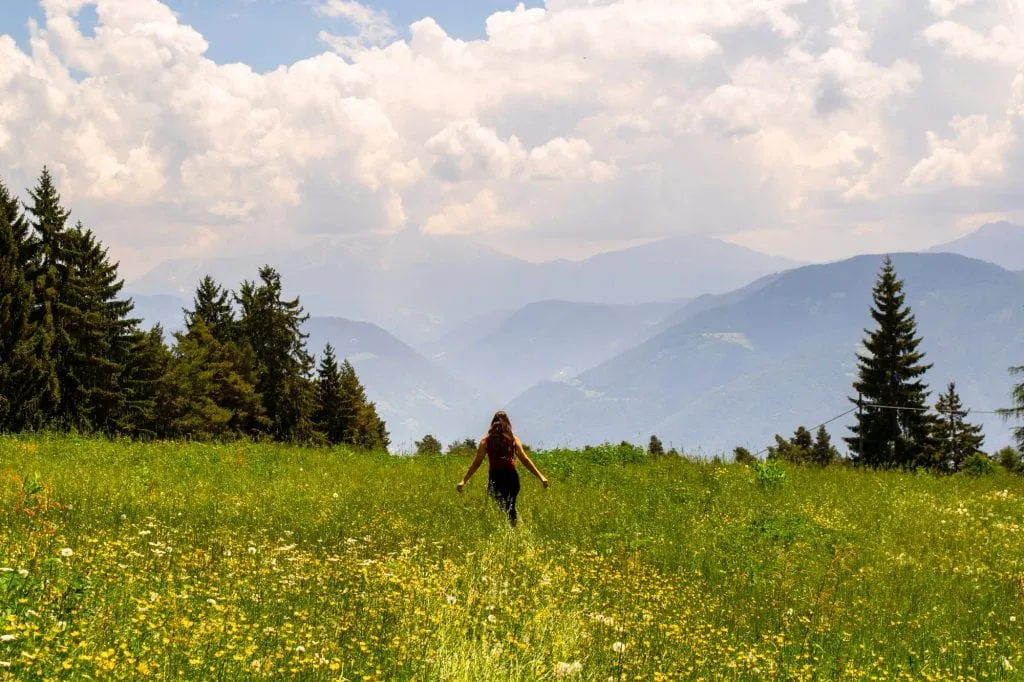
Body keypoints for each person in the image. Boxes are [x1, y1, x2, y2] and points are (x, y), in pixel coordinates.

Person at [456, 411, 548, 526]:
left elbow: (477, 463)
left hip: (496, 478)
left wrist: (464, 480)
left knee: (505, 507)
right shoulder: (513, 439)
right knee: (510, 506)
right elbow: (525, 460)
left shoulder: (486, 440)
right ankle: (514, 528)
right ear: (508, 423)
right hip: (512, 477)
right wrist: (541, 477)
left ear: (492, 423)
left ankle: (512, 529)